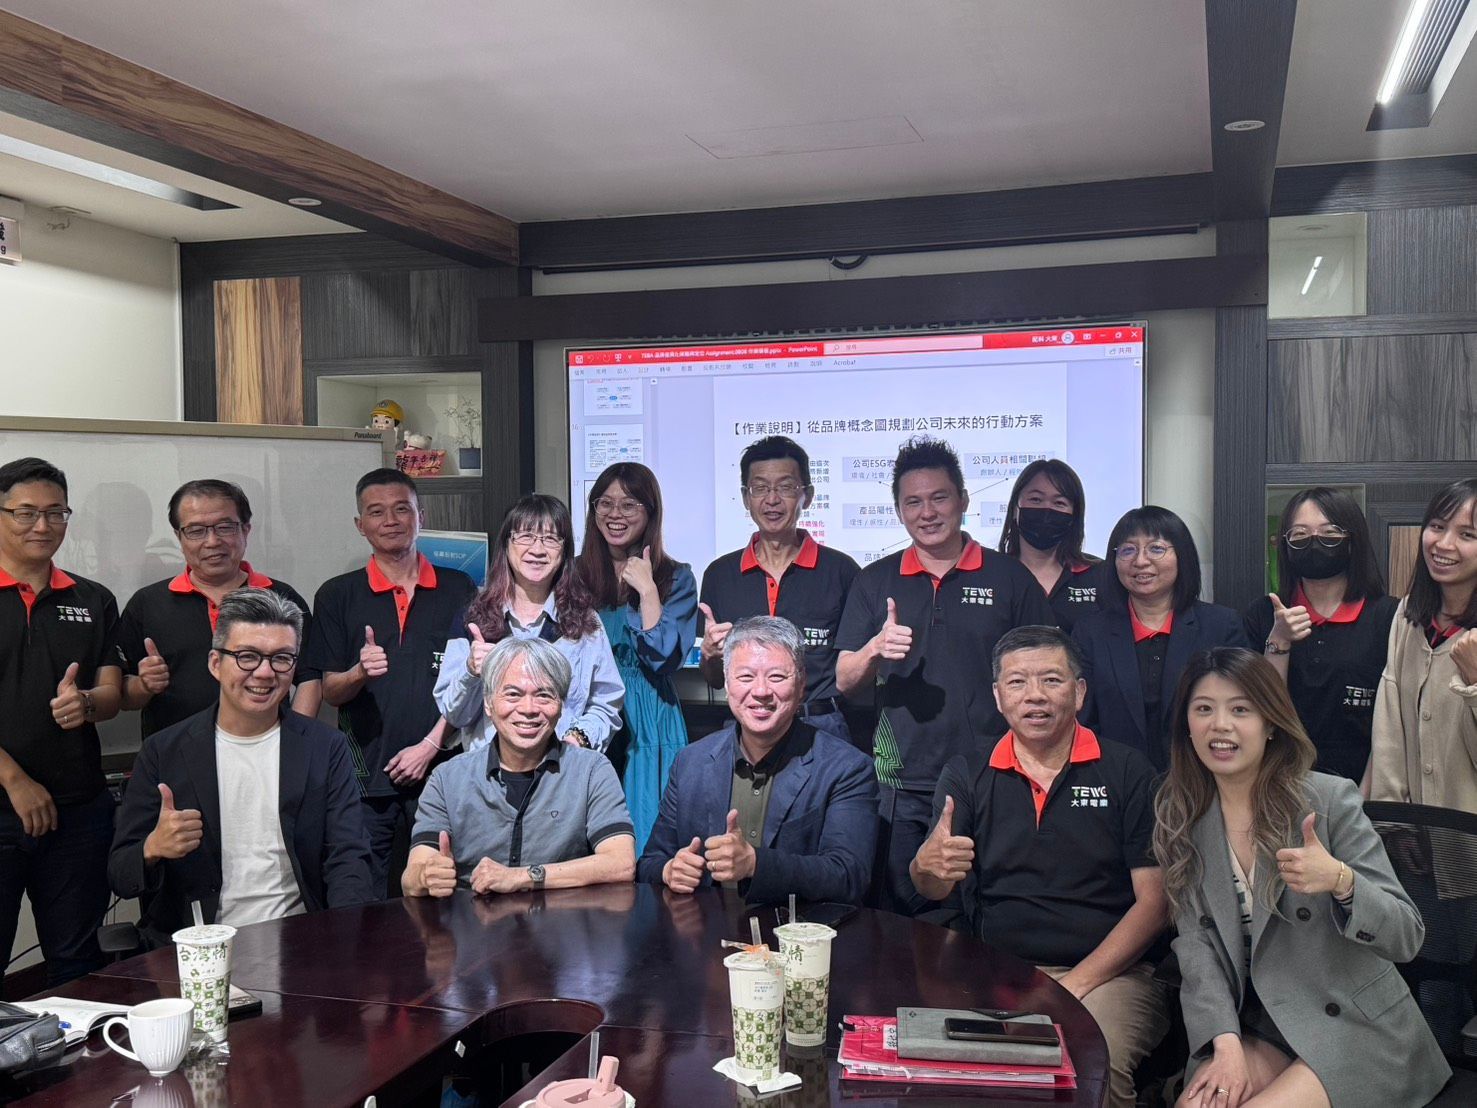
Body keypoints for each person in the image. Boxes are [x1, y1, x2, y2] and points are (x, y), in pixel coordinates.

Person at [1153, 648, 1448, 1108]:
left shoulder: (1327, 800)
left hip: (1352, 1024)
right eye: (1204, 709)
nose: (1220, 725)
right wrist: (1224, 1044)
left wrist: (1342, 881)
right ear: (1186, 725)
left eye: (1240, 710)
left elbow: (1407, 936)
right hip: (1260, 1025)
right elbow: (1196, 948)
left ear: (1271, 723)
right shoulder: (1183, 817)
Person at [910, 625, 1169, 1108]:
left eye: (1051, 680)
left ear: (1079, 691)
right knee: (946, 1065)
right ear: (997, 696)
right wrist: (926, 867)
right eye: (1017, 682)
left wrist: (1073, 986)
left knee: (1096, 1062)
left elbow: (1155, 905)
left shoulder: (1128, 771)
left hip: (1113, 974)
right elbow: (933, 887)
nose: (1035, 696)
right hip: (997, 967)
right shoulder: (968, 772)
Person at [836, 436, 1052, 914]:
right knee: (905, 920)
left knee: (991, 913)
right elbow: (845, 681)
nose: (927, 512)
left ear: (964, 500)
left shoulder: (1010, 578)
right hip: (901, 783)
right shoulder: (874, 580)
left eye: (939, 498)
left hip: (994, 778)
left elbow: (1048, 669)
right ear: (899, 510)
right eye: (913, 502)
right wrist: (874, 650)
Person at [109, 588, 374, 948]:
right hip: (198, 950)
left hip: (300, 943)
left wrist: (347, 941)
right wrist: (153, 847)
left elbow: (348, 857)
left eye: (282, 658)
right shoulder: (163, 751)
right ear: (215, 663)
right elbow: (120, 873)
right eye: (247, 656)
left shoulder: (325, 748)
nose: (264, 673)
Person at [305, 469, 476, 896]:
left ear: (421, 516)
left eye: (402, 509)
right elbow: (330, 691)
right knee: (364, 897)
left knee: (442, 894)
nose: (391, 521)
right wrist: (359, 673)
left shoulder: (459, 588)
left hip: (444, 771)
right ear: (360, 524)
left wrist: (431, 746)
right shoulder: (336, 595)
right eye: (376, 512)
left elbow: (472, 684)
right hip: (365, 776)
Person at [639, 616, 877, 905]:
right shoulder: (691, 761)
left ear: (802, 683)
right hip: (705, 928)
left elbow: (850, 876)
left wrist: (755, 863)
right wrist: (669, 870)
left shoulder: (847, 768)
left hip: (795, 929)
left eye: (776, 677)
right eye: (746, 677)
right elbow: (650, 862)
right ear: (727, 683)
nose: (761, 691)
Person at [0, 457, 123, 989]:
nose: (42, 525)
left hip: (79, 811)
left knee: (77, 967)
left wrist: (87, 705)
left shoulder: (93, 599)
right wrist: (14, 780)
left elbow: (111, 693)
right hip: (3, 805)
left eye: (56, 512)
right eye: (25, 513)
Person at [404, 637, 635, 897]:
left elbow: (621, 864)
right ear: (488, 704)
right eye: (513, 694)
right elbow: (411, 878)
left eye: (543, 695)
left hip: (564, 920)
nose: (528, 709)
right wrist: (426, 876)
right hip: (471, 921)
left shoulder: (592, 771)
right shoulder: (447, 779)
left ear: (560, 706)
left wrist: (523, 877)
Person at [117, 478, 320, 737]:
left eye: (225, 527)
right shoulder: (147, 604)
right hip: (175, 753)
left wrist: (295, 740)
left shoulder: (281, 598)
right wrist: (144, 685)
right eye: (196, 530)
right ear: (179, 537)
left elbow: (310, 679)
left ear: (246, 530)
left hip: (266, 748)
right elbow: (124, 697)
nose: (212, 541)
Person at [698, 436, 859, 742]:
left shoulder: (841, 570)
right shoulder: (720, 574)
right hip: (746, 728)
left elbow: (852, 672)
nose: (772, 499)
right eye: (760, 488)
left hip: (820, 725)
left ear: (807, 496)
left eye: (785, 487)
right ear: (745, 498)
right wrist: (709, 656)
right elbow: (715, 679)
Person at [436, 494, 622, 754]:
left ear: (564, 550)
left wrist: (576, 740)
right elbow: (454, 715)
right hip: (488, 771)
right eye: (525, 536)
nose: (537, 549)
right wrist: (471, 672)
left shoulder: (584, 621)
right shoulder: (474, 618)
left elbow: (606, 702)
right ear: (506, 544)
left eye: (550, 539)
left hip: (562, 768)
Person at [575, 463, 697, 851]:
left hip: (649, 716)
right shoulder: (573, 574)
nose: (615, 514)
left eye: (629, 504)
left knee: (646, 841)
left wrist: (647, 591)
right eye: (605, 503)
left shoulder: (676, 577)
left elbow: (663, 658)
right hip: (586, 710)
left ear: (650, 512)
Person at [1072, 506, 1248, 771]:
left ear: (1182, 556)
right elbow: (1083, 719)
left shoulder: (1221, 626)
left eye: (1156, 549)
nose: (1140, 561)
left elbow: (1242, 710)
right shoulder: (1090, 632)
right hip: (1115, 778)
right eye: (1128, 550)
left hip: (1203, 777)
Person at [1242, 488, 1397, 782]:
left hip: (1366, 783)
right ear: (1285, 544)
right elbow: (1259, 710)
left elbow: (1394, 720)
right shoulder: (1263, 613)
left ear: (1353, 541)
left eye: (1329, 533)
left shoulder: (1389, 615)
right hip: (1281, 781)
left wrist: (1367, 795)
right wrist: (1279, 641)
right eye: (1300, 534)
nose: (1313, 542)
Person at [1370, 478, 1477, 811]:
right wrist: (1391, 821)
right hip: (1417, 831)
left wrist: (1475, 682)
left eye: (1467, 535)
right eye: (1437, 526)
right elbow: (1389, 730)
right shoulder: (1408, 616)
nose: (1443, 544)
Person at [997, 458, 1111, 632]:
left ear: (1074, 515)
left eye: (1059, 503)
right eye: (1036, 499)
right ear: (1014, 508)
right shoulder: (994, 575)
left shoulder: (1100, 575)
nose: (1047, 510)